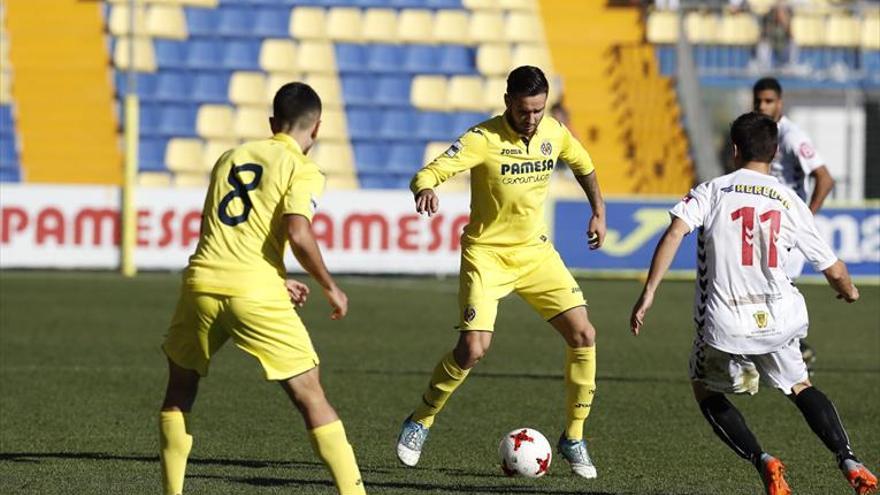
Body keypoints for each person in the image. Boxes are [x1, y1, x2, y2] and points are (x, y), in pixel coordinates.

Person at [630, 112, 877, 495]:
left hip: (726, 324)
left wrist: (649, 293)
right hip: (779, 319)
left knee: (704, 388)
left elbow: (675, 232)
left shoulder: (712, 190)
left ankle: (764, 460)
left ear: (733, 151)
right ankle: (848, 458)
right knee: (800, 385)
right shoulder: (790, 200)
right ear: (775, 152)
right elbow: (833, 268)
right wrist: (849, 291)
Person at [395, 65, 607, 479]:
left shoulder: (554, 131)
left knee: (584, 334)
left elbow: (584, 165)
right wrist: (425, 188)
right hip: (487, 255)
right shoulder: (483, 139)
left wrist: (598, 210)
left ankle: (574, 436)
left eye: (539, 111)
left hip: (535, 254)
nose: (532, 119)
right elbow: (430, 171)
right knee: (473, 349)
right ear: (508, 100)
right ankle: (421, 419)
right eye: (525, 110)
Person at [158, 82, 366, 495]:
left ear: (273, 123)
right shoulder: (302, 169)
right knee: (310, 393)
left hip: (201, 283)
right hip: (252, 292)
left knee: (180, 390)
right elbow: (298, 232)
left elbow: (227, 232)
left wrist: (277, 276)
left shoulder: (229, 157)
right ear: (318, 128)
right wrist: (330, 286)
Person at [753, 76, 834, 369]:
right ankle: (790, 351)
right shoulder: (760, 134)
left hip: (785, 231)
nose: (763, 106)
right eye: (759, 100)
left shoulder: (791, 136)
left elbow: (824, 177)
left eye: (769, 101)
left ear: (780, 103)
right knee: (761, 289)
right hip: (765, 226)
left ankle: (793, 352)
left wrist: (806, 219)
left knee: (772, 290)